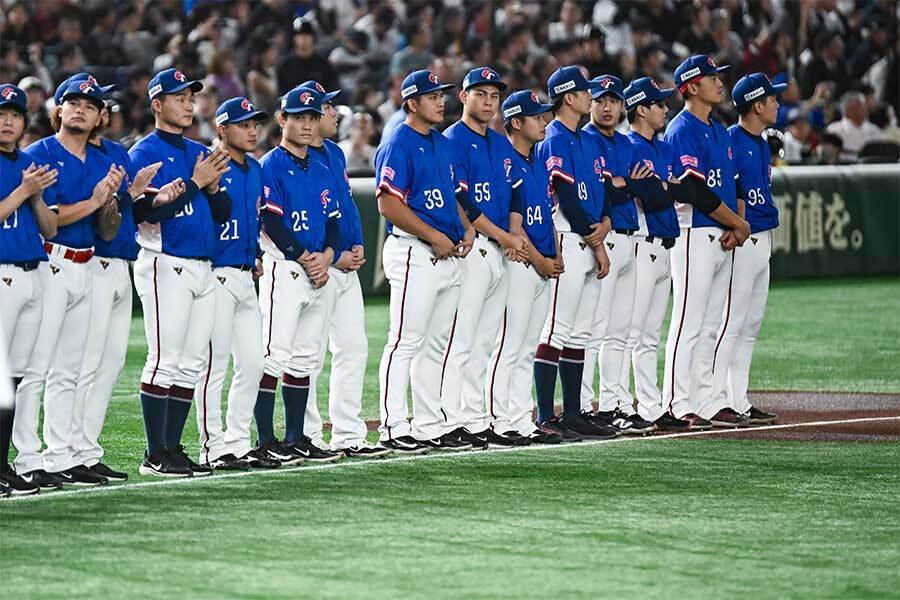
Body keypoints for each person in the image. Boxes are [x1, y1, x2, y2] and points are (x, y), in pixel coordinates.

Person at [15, 79, 123, 486]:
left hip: (87, 263)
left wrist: (113, 201)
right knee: (37, 367)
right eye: (71, 102)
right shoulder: (39, 154)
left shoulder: (98, 161)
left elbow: (108, 230)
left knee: (70, 370)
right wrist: (96, 201)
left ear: (99, 117)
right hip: (52, 264)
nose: (79, 110)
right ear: (57, 110)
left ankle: (59, 455)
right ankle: (27, 457)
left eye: (89, 105)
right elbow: (50, 223)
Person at [129, 68, 232, 478]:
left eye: (191, 97)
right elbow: (140, 215)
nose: (189, 103)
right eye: (178, 97)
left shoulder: (198, 151)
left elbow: (222, 213)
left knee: (190, 363)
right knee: (164, 360)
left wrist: (207, 187)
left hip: (204, 265)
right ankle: (154, 454)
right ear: (157, 104)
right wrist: (193, 183)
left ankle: (172, 448)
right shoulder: (143, 153)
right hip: (165, 262)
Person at [374, 69, 475, 453]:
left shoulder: (441, 143)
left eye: (442, 94)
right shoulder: (398, 142)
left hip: (446, 252)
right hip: (414, 250)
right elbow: (387, 203)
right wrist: (434, 235)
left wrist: (465, 228)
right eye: (432, 95)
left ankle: (430, 423)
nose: (441, 100)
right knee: (405, 342)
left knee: (436, 345)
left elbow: (453, 195)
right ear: (412, 103)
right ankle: (393, 425)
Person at [299, 81, 390, 459]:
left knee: (353, 348)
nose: (336, 114)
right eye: (329, 109)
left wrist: (355, 246)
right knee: (309, 355)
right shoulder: (297, 157)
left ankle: (348, 435)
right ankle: (305, 436)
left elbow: (345, 209)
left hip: (346, 267)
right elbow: (305, 220)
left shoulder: (335, 153)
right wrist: (335, 255)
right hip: (316, 268)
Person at [254, 85, 344, 464]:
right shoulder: (270, 164)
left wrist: (326, 256)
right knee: (273, 356)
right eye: (298, 117)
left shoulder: (322, 165)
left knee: (304, 358)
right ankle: (264, 440)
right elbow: (270, 220)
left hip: (316, 269)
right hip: (284, 268)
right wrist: (308, 257)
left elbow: (334, 220)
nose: (306, 124)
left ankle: (295, 438)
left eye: (311, 117)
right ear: (282, 120)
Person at [73, 95, 161, 482]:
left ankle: (87, 450)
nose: (99, 112)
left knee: (109, 365)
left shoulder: (117, 154)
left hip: (122, 263)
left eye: (99, 105)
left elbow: (121, 219)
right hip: (89, 262)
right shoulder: (72, 155)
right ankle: (66, 451)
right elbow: (98, 223)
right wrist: (120, 196)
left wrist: (137, 196)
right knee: (83, 364)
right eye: (88, 104)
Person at [441, 67, 530, 449]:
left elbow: (513, 194)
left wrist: (510, 237)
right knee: (461, 339)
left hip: (499, 249)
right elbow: (460, 198)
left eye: (494, 95)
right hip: (474, 248)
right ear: (463, 97)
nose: (489, 101)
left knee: (484, 341)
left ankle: (475, 418)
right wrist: (504, 236)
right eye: (481, 93)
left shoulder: (499, 143)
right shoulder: (451, 140)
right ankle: (451, 417)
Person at [662, 55, 751, 429]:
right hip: (692, 232)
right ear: (692, 86)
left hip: (720, 235)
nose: (720, 82)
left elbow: (728, 185)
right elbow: (694, 190)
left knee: (711, 323)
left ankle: (707, 398)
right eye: (712, 77)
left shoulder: (717, 129)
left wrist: (735, 224)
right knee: (688, 321)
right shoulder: (681, 128)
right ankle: (676, 400)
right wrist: (737, 223)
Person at [193, 96, 280, 471]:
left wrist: (256, 254)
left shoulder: (257, 168)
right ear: (222, 129)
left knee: (254, 362)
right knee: (215, 366)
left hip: (246, 275)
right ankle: (212, 446)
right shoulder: (210, 164)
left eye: (254, 123)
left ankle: (238, 441)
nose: (252, 130)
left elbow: (256, 221)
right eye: (243, 124)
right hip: (215, 274)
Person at [533, 66, 618, 442]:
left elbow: (603, 189)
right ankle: (543, 413)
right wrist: (595, 239)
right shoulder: (553, 137)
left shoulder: (585, 139)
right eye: (586, 91)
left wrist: (605, 223)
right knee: (556, 328)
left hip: (589, 236)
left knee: (579, 332)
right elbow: (565, 196)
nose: (592, 96)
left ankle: (571, 412)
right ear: (569, 97)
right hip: (567, 237)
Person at [486, 90, 565, 444]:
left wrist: (555, 253)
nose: (544, 121)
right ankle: (498, 419)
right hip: (518, 261)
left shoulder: (535, 159)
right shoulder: (504, 159)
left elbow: (546, 214)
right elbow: (512, 225)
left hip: (541, 262)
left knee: (526, 345)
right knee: (509, 344)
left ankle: (519, 417)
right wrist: (539, 259)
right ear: (516, 122)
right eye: (537, 116)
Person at [580, 74, 655, 435]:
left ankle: (614, 404)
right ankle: (583, 406)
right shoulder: (584, 141)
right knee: (594, 330)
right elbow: (602, 190)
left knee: (621, 332)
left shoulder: (626, 144)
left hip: (631, 236)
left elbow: (653, 191)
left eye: (613, 100)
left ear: (623, 106)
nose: (607, 107)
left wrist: (626, 185)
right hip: (601, 238)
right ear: (589, 104)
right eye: (600, 100)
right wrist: (625, 185)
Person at [707, 74, 784, 425]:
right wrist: (735, 227)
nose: (777, 103)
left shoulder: (763, 142)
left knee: (750, 324)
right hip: (742, 239)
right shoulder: (731, 141)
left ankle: (738, 398)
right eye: (772, 98)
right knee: (731, 321)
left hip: (762, 235)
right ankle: (716, 397)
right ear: (757, 104)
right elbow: (727, 191)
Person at [622, 77, 690, 432]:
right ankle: (628, 405)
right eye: (659, 104)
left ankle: (651, 405)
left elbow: (674, 191)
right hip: (642, 243)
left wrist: (660, 187)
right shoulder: (630, 146)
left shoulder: (661, 147)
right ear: (642, 109)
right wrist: (659, 188)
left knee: (649, 335)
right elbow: (657, 196)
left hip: (665, 245)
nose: (665, 108)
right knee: (633, 334)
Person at [0, 83, 59, 495]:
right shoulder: (21, 174)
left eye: (15, 115)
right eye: (2, 113)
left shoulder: (27, 165)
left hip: (31, 274)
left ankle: (3, 466)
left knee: (16, 378)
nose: (8, 120)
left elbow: (50, 228)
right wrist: (23, 191)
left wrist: (35, 196)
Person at [825, 91, 883, 162]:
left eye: (865, 105)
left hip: (872, 169)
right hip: (843, 169)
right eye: (861, 105)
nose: (866, 109)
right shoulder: (834, 130)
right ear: (848, 109)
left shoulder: (874, 130)